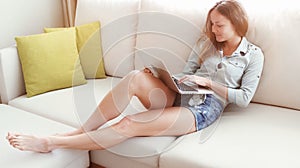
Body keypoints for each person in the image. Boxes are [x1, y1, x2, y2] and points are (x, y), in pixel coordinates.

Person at [6, 0, 264, 153]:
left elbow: (244, 98)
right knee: (133, 77)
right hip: (180, 92)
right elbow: (188, 72)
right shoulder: (206, 43)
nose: (213, 29)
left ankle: (51, 143)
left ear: (236, 24)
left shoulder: (253, 55)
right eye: (211, 24)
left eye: (219, 25)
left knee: (129, 123)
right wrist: (166, 77)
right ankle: (78, 131)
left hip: (204, 108)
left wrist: (209, 83)